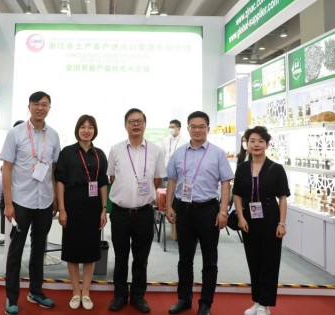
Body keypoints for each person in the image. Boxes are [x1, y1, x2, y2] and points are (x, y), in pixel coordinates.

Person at [166, 111, 234, 315]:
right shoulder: (179, 153)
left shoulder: (218, 153)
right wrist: (169, 206)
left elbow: (226, 183)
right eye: (193, 126)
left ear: (208, 129)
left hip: (208, 211)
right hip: (184, 210)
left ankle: (206, 303)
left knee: (209, 260)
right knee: (184, 258)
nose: (197, 130)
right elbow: (172, 181)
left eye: (201, 126)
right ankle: (184, 299)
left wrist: (223, 211)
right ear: (188, 129)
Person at [0, 91, 61, 315]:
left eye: (44, 104)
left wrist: (55, 198)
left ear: (49, 108)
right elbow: (7, 169)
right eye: (36, 104)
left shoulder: (53, 135)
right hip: (21, 201)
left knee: (39, 249)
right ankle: (11, 298)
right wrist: (8, 203)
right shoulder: (15, 133)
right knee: (15, 250)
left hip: (44, 201)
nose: (40, 108)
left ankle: (36, 291)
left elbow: (54, 170)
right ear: (29, 106)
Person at [107, 108, 166, 313]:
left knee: (141, 258)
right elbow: (112, 177)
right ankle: (120, 295)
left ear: (145, 125)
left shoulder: (156, 150)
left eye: (139, 121)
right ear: (125, 125)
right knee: (121, 257)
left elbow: (157, 179)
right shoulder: (115, 149)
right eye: (131, 121)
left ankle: (138, 296)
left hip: (144, 213)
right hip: (120, 213)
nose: (136, 125)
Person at [233, 126, 290, 315]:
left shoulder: (276, 168)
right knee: (254, 261)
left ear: (267, 144)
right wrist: (240, 217)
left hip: (271, 218)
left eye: (260, 141)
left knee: (269, 261)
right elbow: (237, 195)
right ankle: (257, 301)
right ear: (247, 144)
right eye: (252, 141)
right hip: (249, 219)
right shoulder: (242, 168)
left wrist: (282, 223)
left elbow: (282, 198)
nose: (256, 144)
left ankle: (265, 304)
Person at [55, 115, 109, 311]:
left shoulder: (99, 154)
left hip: (93, 208)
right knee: (72, 251)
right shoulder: (67, 152)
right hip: (72, 207)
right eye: (83, 127)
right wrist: (62, 209)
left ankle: (86, 292)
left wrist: (104, 209)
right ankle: (75, 292)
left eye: (90, 127)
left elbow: (102, 183)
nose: (86, 130)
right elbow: (60, 182)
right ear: (77, 129)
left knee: (90, 252)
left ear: (95, 130)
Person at [0, 120, 26, 247]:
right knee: (5, 207)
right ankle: (6, 235)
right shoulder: (12, 140)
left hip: (20, 186)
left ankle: (12, 236)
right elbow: (5, 167)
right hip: (9, 184)